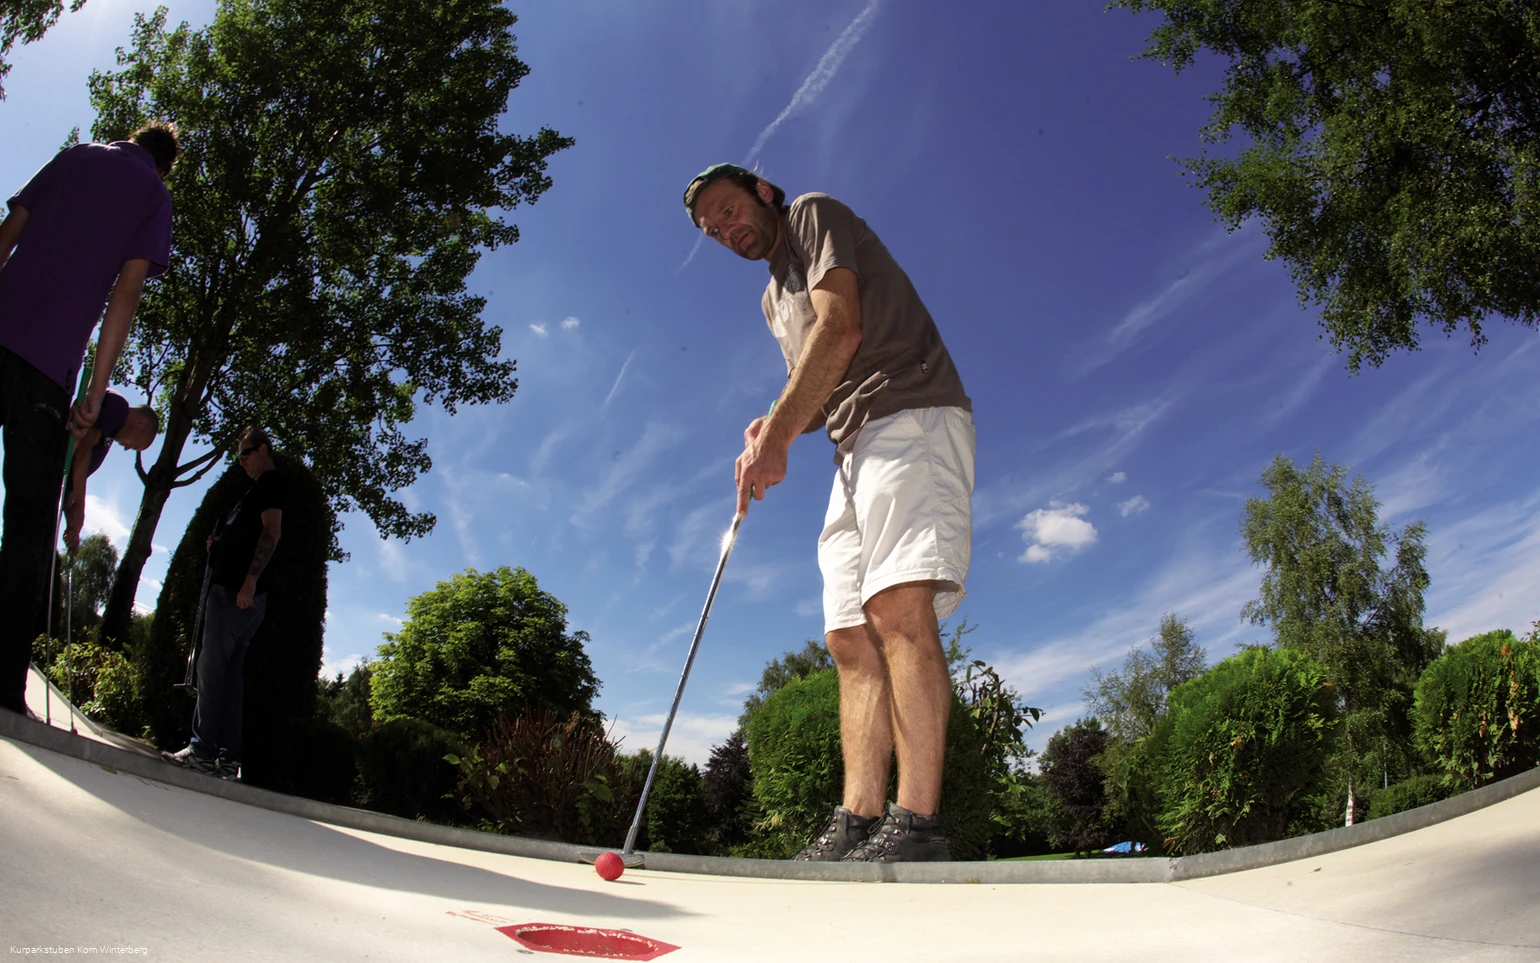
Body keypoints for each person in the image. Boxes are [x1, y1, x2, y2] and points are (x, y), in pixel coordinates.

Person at [684, 164, 975, 863]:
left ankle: (919, 822)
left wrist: (780, 434)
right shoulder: (770, 302)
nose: (726, 230)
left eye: (728, 209)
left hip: (909, 410)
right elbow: (811, 387)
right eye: (712, 229)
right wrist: (774, 425)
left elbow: (841, 327)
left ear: (761, 191)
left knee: (898, 607)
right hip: (850, 448)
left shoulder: (812, 215)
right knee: (849, 636)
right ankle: (858, 817)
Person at [0, 122, 178, 716]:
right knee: (26, 530)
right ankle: (3, 683)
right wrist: (96, 391)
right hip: (48, 372)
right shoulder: (154, 195)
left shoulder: (75, 154)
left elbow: (10, 231)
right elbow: (123, 296)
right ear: (163, 166)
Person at [163, 428, 285, 780]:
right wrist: (222, 543)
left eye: (245, 454)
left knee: (212, 671)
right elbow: (251, 534)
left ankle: (202, 751)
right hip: (241, 596)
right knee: (230, 679)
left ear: (262, 449)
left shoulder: (270, 484)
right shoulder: (260, 489)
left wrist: (248, 581)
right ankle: (228, 759)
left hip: (236, 595)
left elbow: (271, 533)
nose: (241, 462)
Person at [62, 389, 161, 552]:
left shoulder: (108, 436)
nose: (128, 448)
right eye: (135, 445)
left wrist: (72, 524)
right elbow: (82, 448)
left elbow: (71, 484)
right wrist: (80, 505)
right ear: (141, 423)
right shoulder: (118, 407)